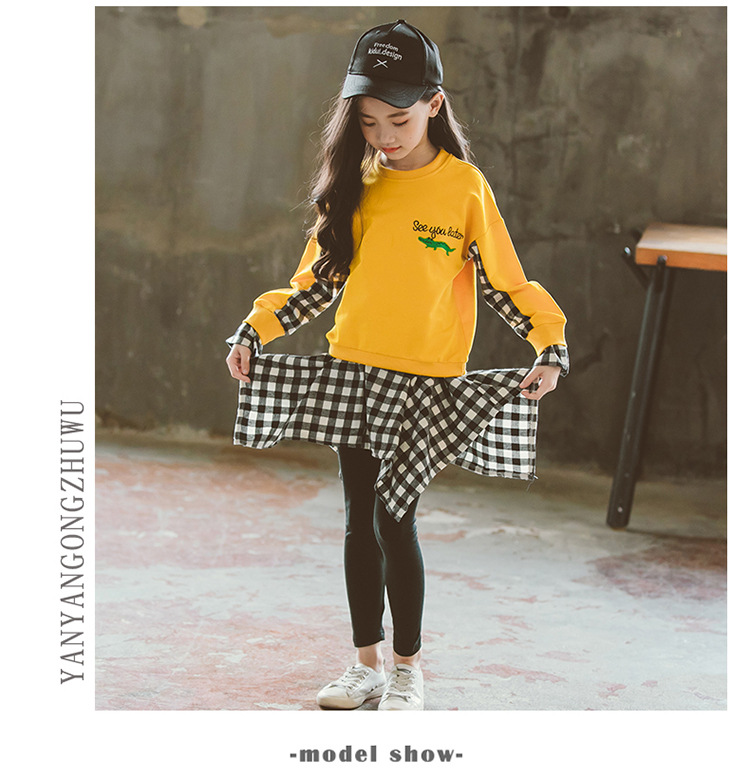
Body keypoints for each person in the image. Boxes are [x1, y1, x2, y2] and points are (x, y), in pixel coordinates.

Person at [225, 19, 568, 711]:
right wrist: (253, 331)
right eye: (369, 120)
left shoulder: (464, 188)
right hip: (354, 375)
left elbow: (506, 284)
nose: (384, 135)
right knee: (360, 524)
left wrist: (549, 343)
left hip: (424, 385)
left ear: (434, 104)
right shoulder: (354, 185)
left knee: (394, 520)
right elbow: (313, 284)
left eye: (399, 119)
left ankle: (409, 668)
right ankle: (366, 666)